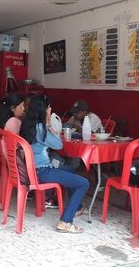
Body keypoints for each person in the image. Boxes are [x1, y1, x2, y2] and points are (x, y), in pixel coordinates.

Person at [20, 94, 89, 234]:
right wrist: (48, 123)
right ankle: (66, 221)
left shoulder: (27, 124)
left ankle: (76, 207)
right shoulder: (41, 128)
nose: (50, 110)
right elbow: (58, 145)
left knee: (69, 170)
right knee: (83, 183)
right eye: (49, 108)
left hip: (32, 169)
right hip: (42, 172)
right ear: (44, 110)